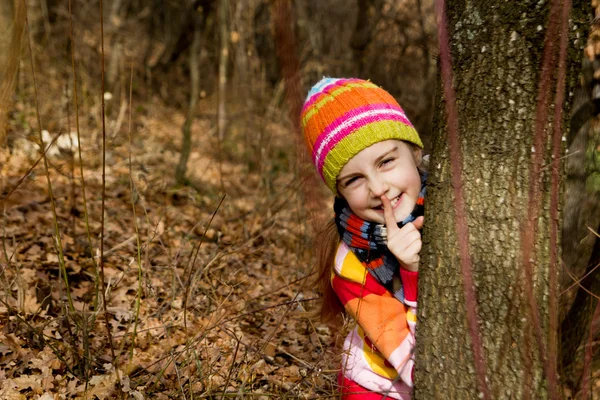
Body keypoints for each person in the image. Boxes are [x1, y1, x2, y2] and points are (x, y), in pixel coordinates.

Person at [301, 77, 425, 399]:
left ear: (415, 152)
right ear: (340, 193)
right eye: (354, 179)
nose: (378, 188)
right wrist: (410, 271)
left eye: (386, 162)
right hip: (377, 388)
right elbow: (419, 368)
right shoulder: (351, 265)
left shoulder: (447, 202)